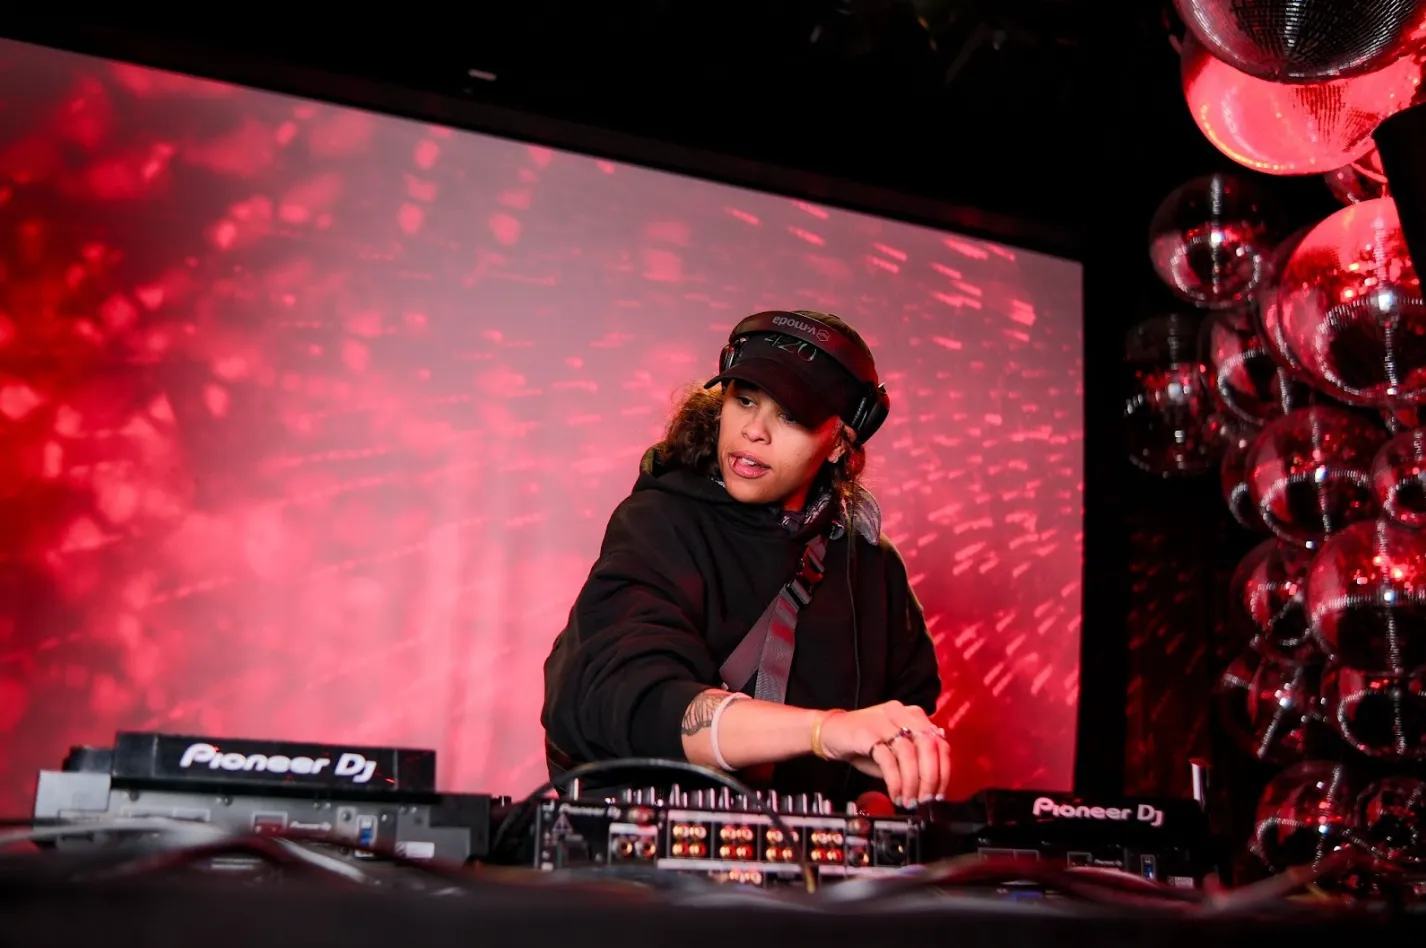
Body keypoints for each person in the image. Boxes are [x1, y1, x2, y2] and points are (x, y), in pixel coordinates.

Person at [541, 310, 950, 809]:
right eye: (745, 399)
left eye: (791, 416)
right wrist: (825, 731)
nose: (754, 430)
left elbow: (906, 712)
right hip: (660, 848)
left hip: (812, 859)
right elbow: (634, 699)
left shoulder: (872, 566)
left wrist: (878, 803)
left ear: (841, 441)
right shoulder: (657, 522)